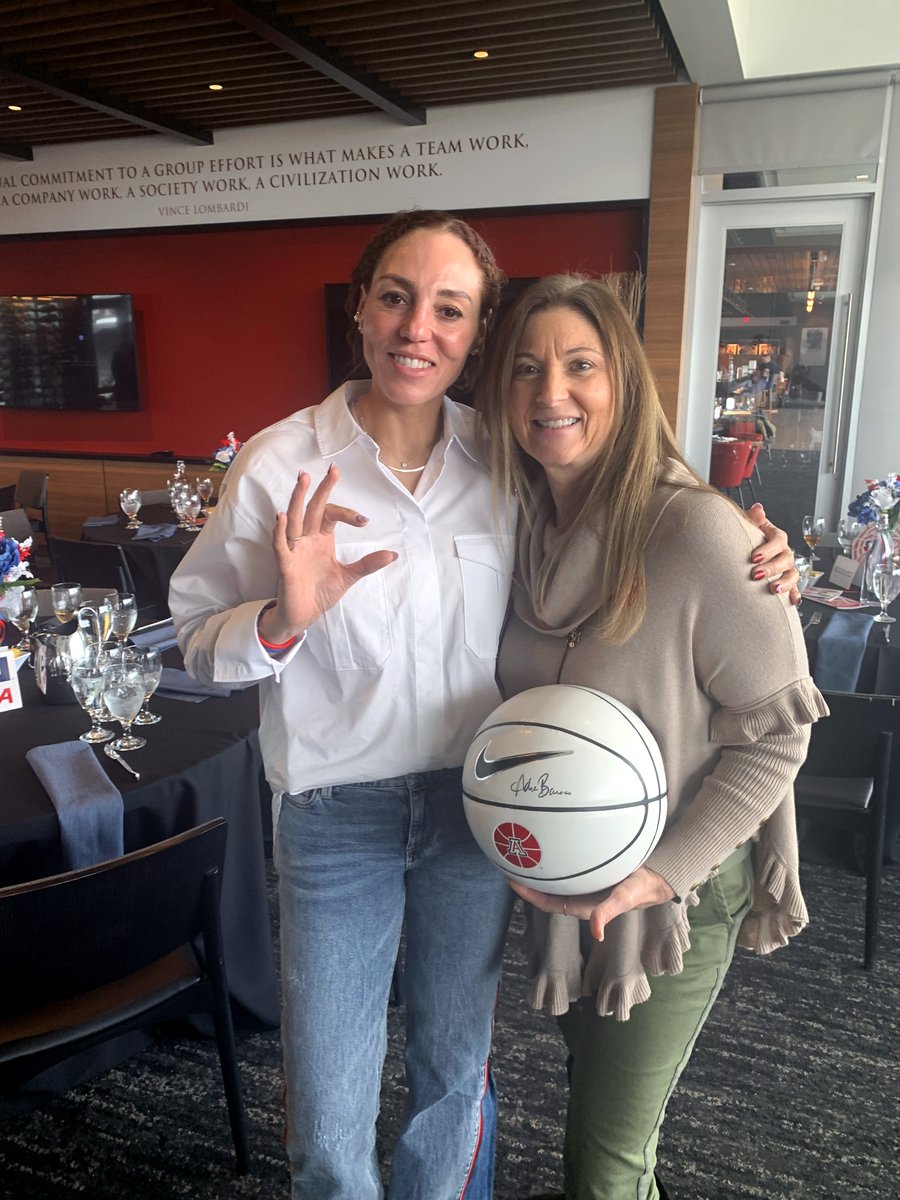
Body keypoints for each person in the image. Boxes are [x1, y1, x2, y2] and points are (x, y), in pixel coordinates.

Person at [168, 213, 800, 1200]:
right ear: (362, 314)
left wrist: (758, 545)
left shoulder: (502, 463)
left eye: (450, 309)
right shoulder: (280, 466)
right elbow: (197, 647)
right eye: (395, 298)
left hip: (484, 811)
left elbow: (636, 501)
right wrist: (280, 622)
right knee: (330, 1105)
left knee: (453, 1080)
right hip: (338, 818)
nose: (419, 327)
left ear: (474, 332)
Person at [476, 274, 827, 1200]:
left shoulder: (701, 534)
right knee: (601, 1107)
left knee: (603, 1164)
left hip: (673, 896)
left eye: (580, 365)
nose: (552, 392)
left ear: (624, 383)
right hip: (565, 885)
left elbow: (777, 741)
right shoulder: (517, 537)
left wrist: (660, 874)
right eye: (526, 369)